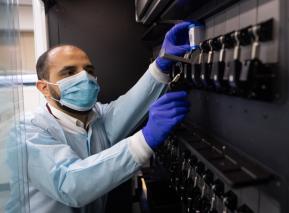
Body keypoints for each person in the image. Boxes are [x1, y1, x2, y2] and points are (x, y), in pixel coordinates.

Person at [6, 21, 193, 213]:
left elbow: (132, 104)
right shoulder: (26, 132)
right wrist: (145, 140)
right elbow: (70, 184)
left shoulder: (97, 116)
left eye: (88, 71)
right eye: (69, 72)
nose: (84, 78)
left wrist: (161, 65)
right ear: (44, 87)